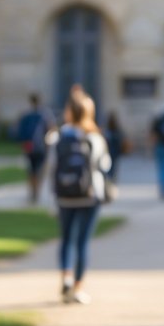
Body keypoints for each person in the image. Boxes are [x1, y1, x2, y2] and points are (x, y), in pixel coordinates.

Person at [45, 89, 112, 305]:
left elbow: (51, 167)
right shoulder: (94, 137)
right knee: (82, 242)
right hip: (89, 194)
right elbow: (104, 165)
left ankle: (65, 276)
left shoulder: (57, 137)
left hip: (64, 195)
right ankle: (78, 287)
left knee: (66, 239)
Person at [15, 94, 52, 204]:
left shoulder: (26, 115)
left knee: (31, 170)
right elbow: (50, 129)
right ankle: (36, 192)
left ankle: (33, 192)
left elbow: (20, 132)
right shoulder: (45, 115)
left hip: (29, 146)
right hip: (41, 146)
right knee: (38, 170)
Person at [103, 110, 130, 191]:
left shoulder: (107, 130)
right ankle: (112, 180)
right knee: (113, 167)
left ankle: (109, 181)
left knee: (109, 168)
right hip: (115, 152)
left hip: (110, 151)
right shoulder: (117, 130)